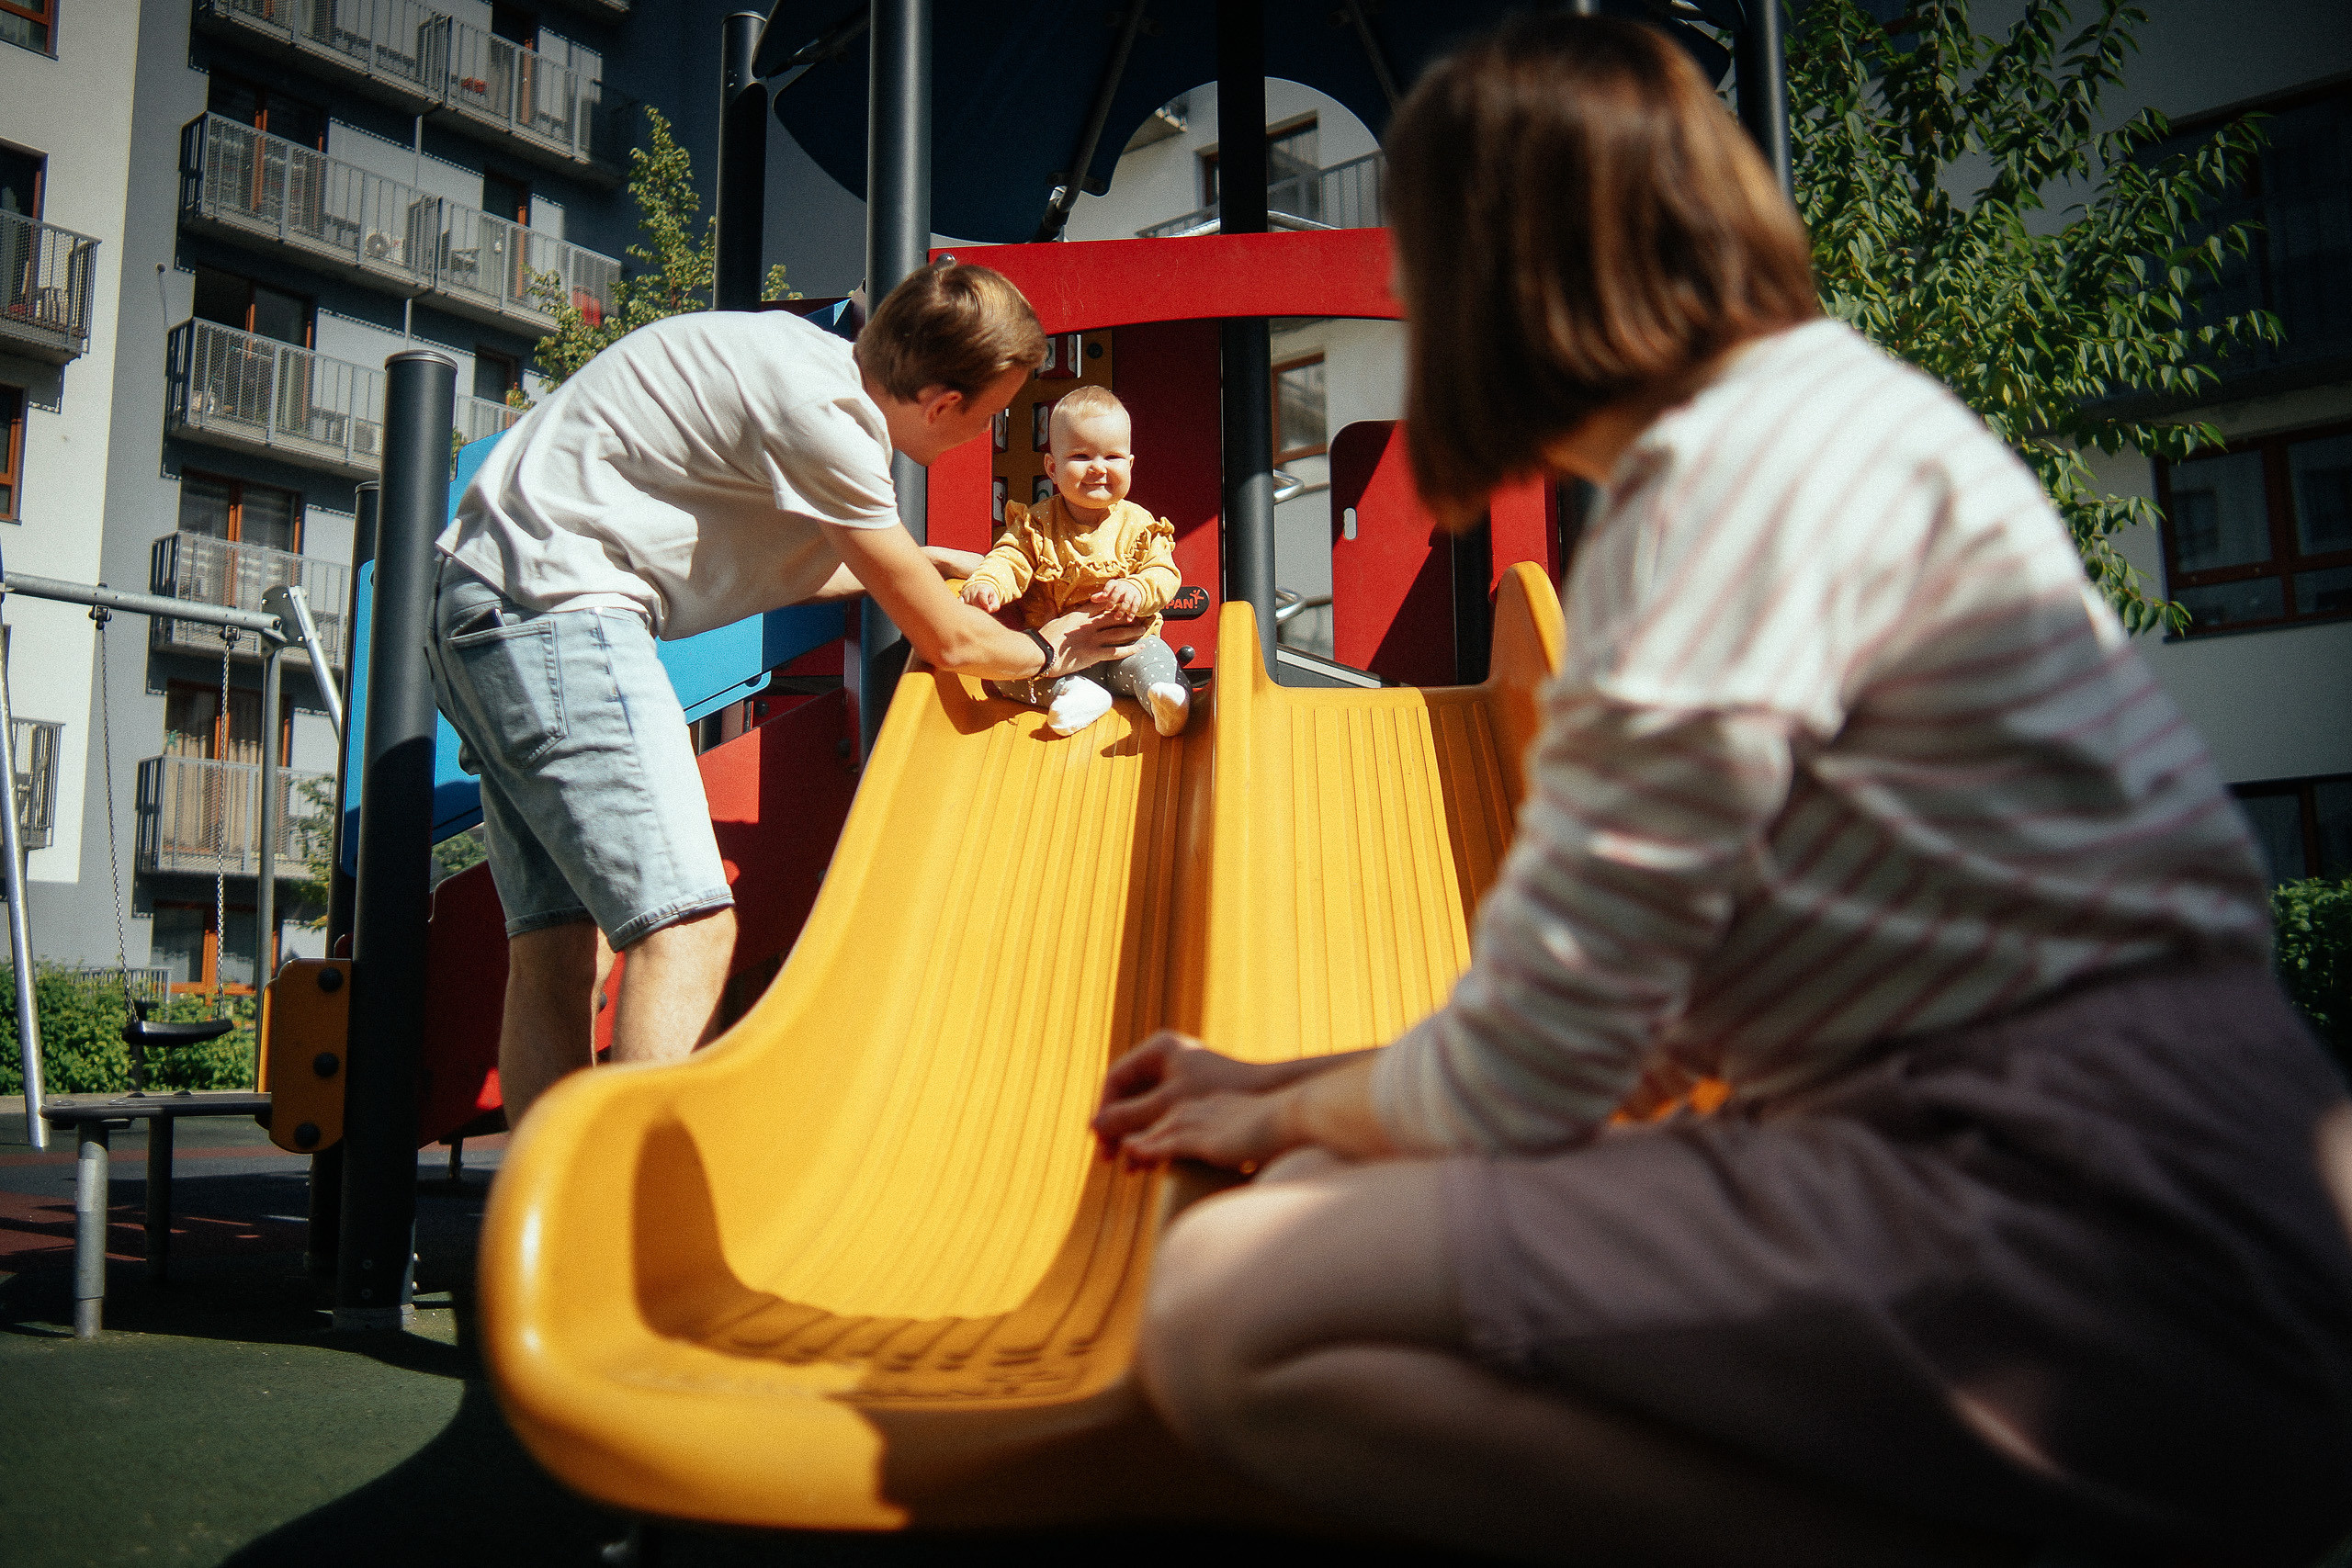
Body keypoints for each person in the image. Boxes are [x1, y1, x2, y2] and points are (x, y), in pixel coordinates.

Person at [1090, 17, 2352, 1568]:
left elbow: (1529, 1080)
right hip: (2201, 1186)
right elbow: (1646, 1025)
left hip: (2081, 1225)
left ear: (1500, 275)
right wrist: (1298, 1078)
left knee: (1228, 1315)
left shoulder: (1718, 495)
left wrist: (1283, 1102)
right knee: (1310, 1178)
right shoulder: (1847, 423)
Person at [430, 262, 1138, 1126]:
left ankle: (546, 1226)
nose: (980, 432)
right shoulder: (831, 423)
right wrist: (1046, 649)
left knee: (556, 943)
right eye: (990, 415)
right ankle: (631, 1220)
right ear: (945, 404)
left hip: (482, 606)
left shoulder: (798, 362)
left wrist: (921, 568)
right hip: (559, 614)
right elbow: (950, 641)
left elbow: (795, 552)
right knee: (688, 925)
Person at [960, 384, 1192, 737]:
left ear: (1130, 464)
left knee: (1156, 660)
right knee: (1002, 675)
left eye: (1112, 457)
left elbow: (1163, 572)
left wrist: (1137, 588)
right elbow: (1009, 558)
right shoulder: (1037, 525)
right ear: (1052, 468)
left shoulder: (1140, 524)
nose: (1098, 468)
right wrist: (988, 583)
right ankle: (1076, 695)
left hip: (1124, 644)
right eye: (1082, 457)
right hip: (1058, 655)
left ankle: (1164, 699)